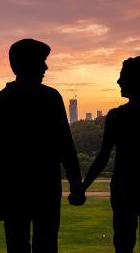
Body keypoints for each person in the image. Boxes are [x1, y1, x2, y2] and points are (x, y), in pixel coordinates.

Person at [0, 38, 85, 253]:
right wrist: (76, 184)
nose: (46, 67)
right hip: (45, 189)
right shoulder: (50, 98)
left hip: (13, 191)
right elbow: (65, 146)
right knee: (46, 245)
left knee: (17, 246)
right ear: (23, 64)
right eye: (41, 61)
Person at [82, 57, 140, 253]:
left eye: (123, 76)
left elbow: (103, 157)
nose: (118, 81)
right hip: (125, 186)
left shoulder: (117, 116)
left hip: (124, 186)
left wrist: (82, 187)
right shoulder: (117, 116)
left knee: (123, 243)